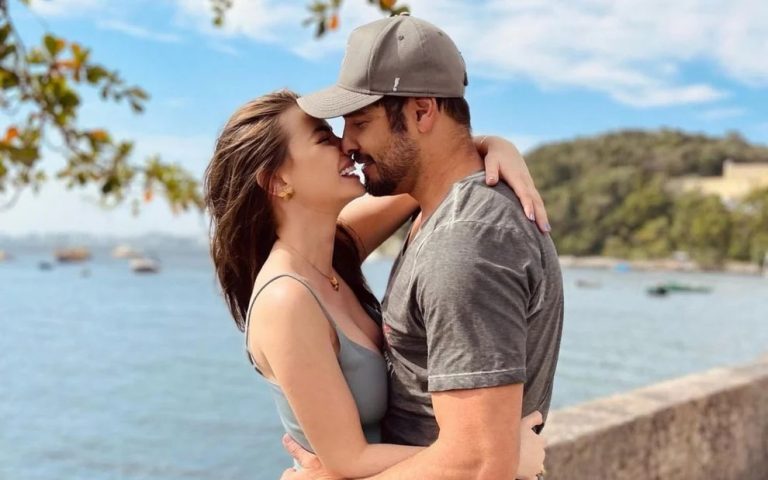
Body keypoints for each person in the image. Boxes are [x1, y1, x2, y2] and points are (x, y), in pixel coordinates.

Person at [204, 87, 550, 480]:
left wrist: (496, 145)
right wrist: (496, 453)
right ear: (277, 180)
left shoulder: (332, 252)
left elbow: (435, 168)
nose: (347, 146)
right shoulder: (287, 300)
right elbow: (350, 460)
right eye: (323, 138)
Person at [280, 13, 564, 480]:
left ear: (422, 112)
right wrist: (490, 144)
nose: (347, 143)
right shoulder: (433, 208)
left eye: (361, 122)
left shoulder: (467, 240)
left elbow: (479, 464)